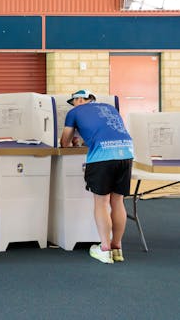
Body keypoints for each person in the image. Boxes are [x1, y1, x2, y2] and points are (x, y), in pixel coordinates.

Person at [59, 89, 134, 264]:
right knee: (118, 201)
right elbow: (106, 130)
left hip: (102, 157)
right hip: (126, 153)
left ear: (78, 100)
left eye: (73, 101)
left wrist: (73, 140)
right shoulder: (109, 108)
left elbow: (64, 142)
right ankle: (117, 248)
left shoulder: (74, 112)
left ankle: (105, 248)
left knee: (101, 202)